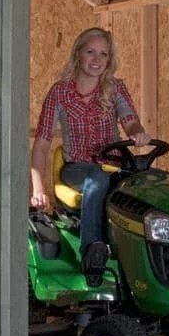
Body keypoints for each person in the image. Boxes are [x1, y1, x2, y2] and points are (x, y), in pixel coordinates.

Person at [30, 27, 150, 279]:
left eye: (103, 54)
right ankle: (91, 252)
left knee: (150, 183)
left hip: (115, 166)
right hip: (78, 168)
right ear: (78, 54)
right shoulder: (59, 93)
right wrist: (38, 190)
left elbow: (130, 122)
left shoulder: (115, 88)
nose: (97, 60)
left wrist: (138, 132)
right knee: (98, 178)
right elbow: (41, 144)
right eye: (90, 52)